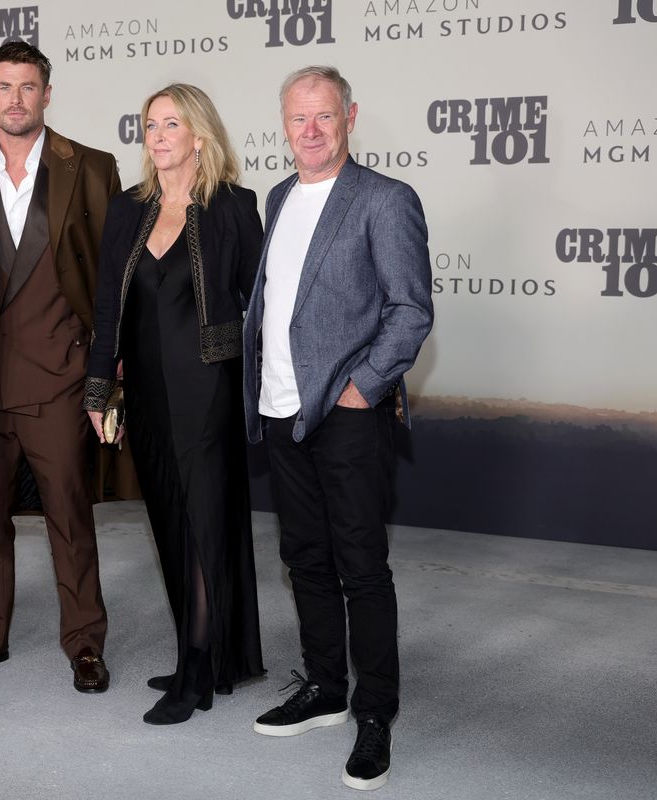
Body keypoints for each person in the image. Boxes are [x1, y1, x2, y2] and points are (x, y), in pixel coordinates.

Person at [242, 66, 434, 789]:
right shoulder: (278, 197)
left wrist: (362, 388)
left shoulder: (385, 199)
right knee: (305, 558)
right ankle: (325, 686)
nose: (311, 130)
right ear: (284, 124)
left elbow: (410, 309)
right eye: (299, 118)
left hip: (346, 415)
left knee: (361, 566)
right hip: (280, 409)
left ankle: (375, 712)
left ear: (350, 117)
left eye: (324, 115)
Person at [0, 41, 120, 693]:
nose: (16, 99)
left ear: (47, 94)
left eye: (28, 86)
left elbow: (113, 280)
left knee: (70, 514)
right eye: (5, 87)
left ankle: (85, 642)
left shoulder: (91, 168)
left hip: (60, 377)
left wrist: (108, 370)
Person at [85, 84, 265, 725]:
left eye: (171, 124)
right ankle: (204, 650)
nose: (158, 137)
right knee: (168, 520)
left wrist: (264, 386)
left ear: (200, 135)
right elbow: (107, 306)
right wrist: (99, 387)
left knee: (205, 523)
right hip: (149, 395)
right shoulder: (128, 209)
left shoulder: (233, 207)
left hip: (209, 390)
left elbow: (260, 303)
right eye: (150, 125)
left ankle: (197, 670)